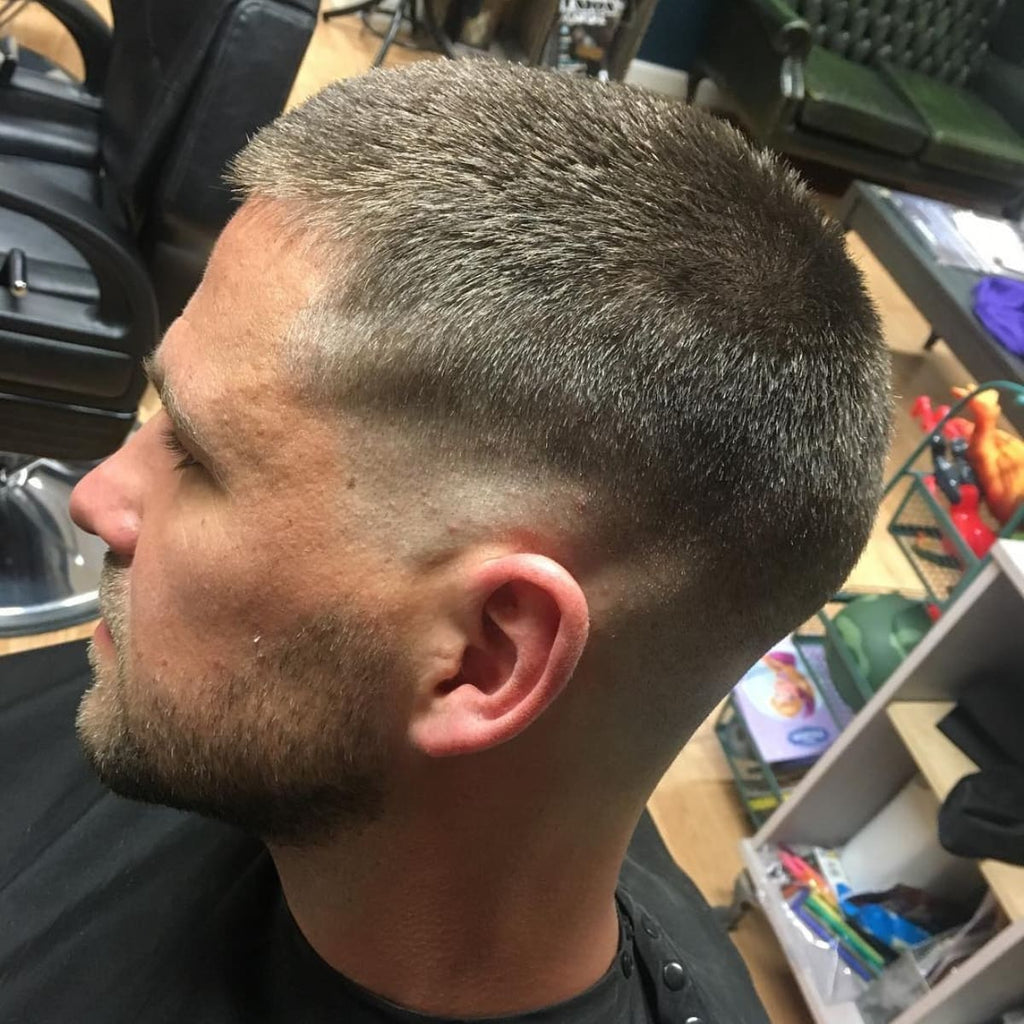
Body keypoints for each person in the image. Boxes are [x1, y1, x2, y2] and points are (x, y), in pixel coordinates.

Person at [0, 60, 890, 1023]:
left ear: (482, 657)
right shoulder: (200, 715)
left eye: (199, 460)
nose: (95, 500)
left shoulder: (207, 709)